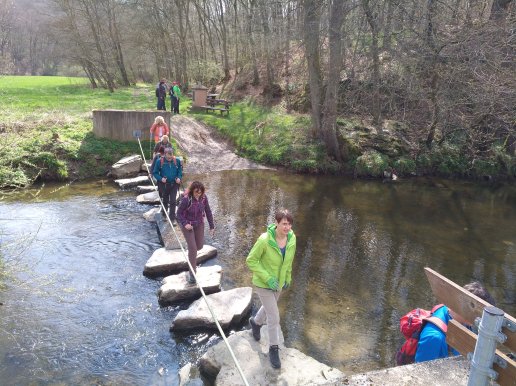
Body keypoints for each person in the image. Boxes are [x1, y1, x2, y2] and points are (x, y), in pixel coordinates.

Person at [246, 209, 296, 369]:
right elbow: (251, 260)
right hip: (264, 283)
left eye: (289, 224)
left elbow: (289, 260)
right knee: (274, 316)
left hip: (279, 283)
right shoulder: (264, 240)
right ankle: (274, 348)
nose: (287, 227)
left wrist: (287, 277)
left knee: (269, 309)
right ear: (276, 223)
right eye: (284, 224)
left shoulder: (292, 239)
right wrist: (267, 277)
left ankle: (255, 322)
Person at [415, 281, 496, 363]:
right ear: (468, 310)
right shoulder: (434, 338)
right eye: (481, 315)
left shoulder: (457, 316)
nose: (483, 320)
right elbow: (421, 372)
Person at [176, 181, 215, 284]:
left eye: (200, 192)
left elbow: (208, 211)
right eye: (196, 192)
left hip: (199, 224)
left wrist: (212, 226)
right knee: (193, 249)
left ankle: (190, 249)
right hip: (188, 225)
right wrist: (185, 224)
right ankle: (192, 273)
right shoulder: (186, 200)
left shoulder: (204, 198)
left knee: (199, 247)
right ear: (192, 191)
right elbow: (178, 214)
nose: (198, 194)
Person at [152, 148, 182, 221]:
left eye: (171, 156)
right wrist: (161, 179)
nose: (170, 158)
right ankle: (164, 215)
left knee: (173, 201)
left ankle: (172, 218)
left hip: (174, 184)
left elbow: (180, 171)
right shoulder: (159, 161)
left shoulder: (177, 161)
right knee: (165, 200)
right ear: (165, 154)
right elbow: (155, 172)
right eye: (168, 157)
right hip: (164, 185)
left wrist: (179, 178)